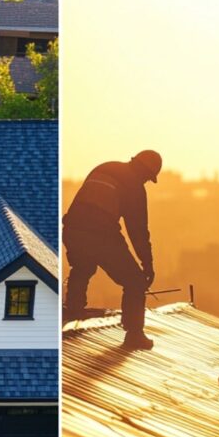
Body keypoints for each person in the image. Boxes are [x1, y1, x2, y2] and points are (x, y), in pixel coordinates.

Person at [63, 150, 162, 350]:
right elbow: (138, 231)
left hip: (72, 230)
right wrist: (147, 265)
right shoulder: (134, 186)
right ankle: (134, 334)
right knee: (134, 282)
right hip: (101, 235)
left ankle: (72, 311)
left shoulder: (105, 167)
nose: (146, 182)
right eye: (148, 178)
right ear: (144, 171)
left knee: (82, 267)